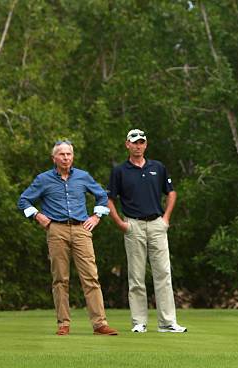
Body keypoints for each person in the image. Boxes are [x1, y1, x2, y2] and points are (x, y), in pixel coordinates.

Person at [18, 141, 118, 336]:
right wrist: (38, 216)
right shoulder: (43, 179)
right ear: (54, 158)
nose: (66, 158)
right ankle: (63, 323)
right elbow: (23, 200)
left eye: (69, 154)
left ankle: (99, 324)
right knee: (60, 279)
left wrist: (96, 217)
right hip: (56, 230)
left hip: (82, 229)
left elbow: (102, 196)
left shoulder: (83, 177)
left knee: (91, 277)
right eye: (62, 154)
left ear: (73, 157)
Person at [107, 129, 186, 333]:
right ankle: (139, 322)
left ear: (146, 144)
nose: (138, 146)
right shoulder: (120, 171)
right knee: (136, 276)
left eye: (141, 142)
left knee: (163, 273)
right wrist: (120, 223)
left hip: (157, 224)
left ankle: (167, 322)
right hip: (133, 225)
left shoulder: (157, 167)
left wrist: (166, 219)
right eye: (134, 142)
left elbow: (171, 192)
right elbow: (109, 199)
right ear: (127, 144)